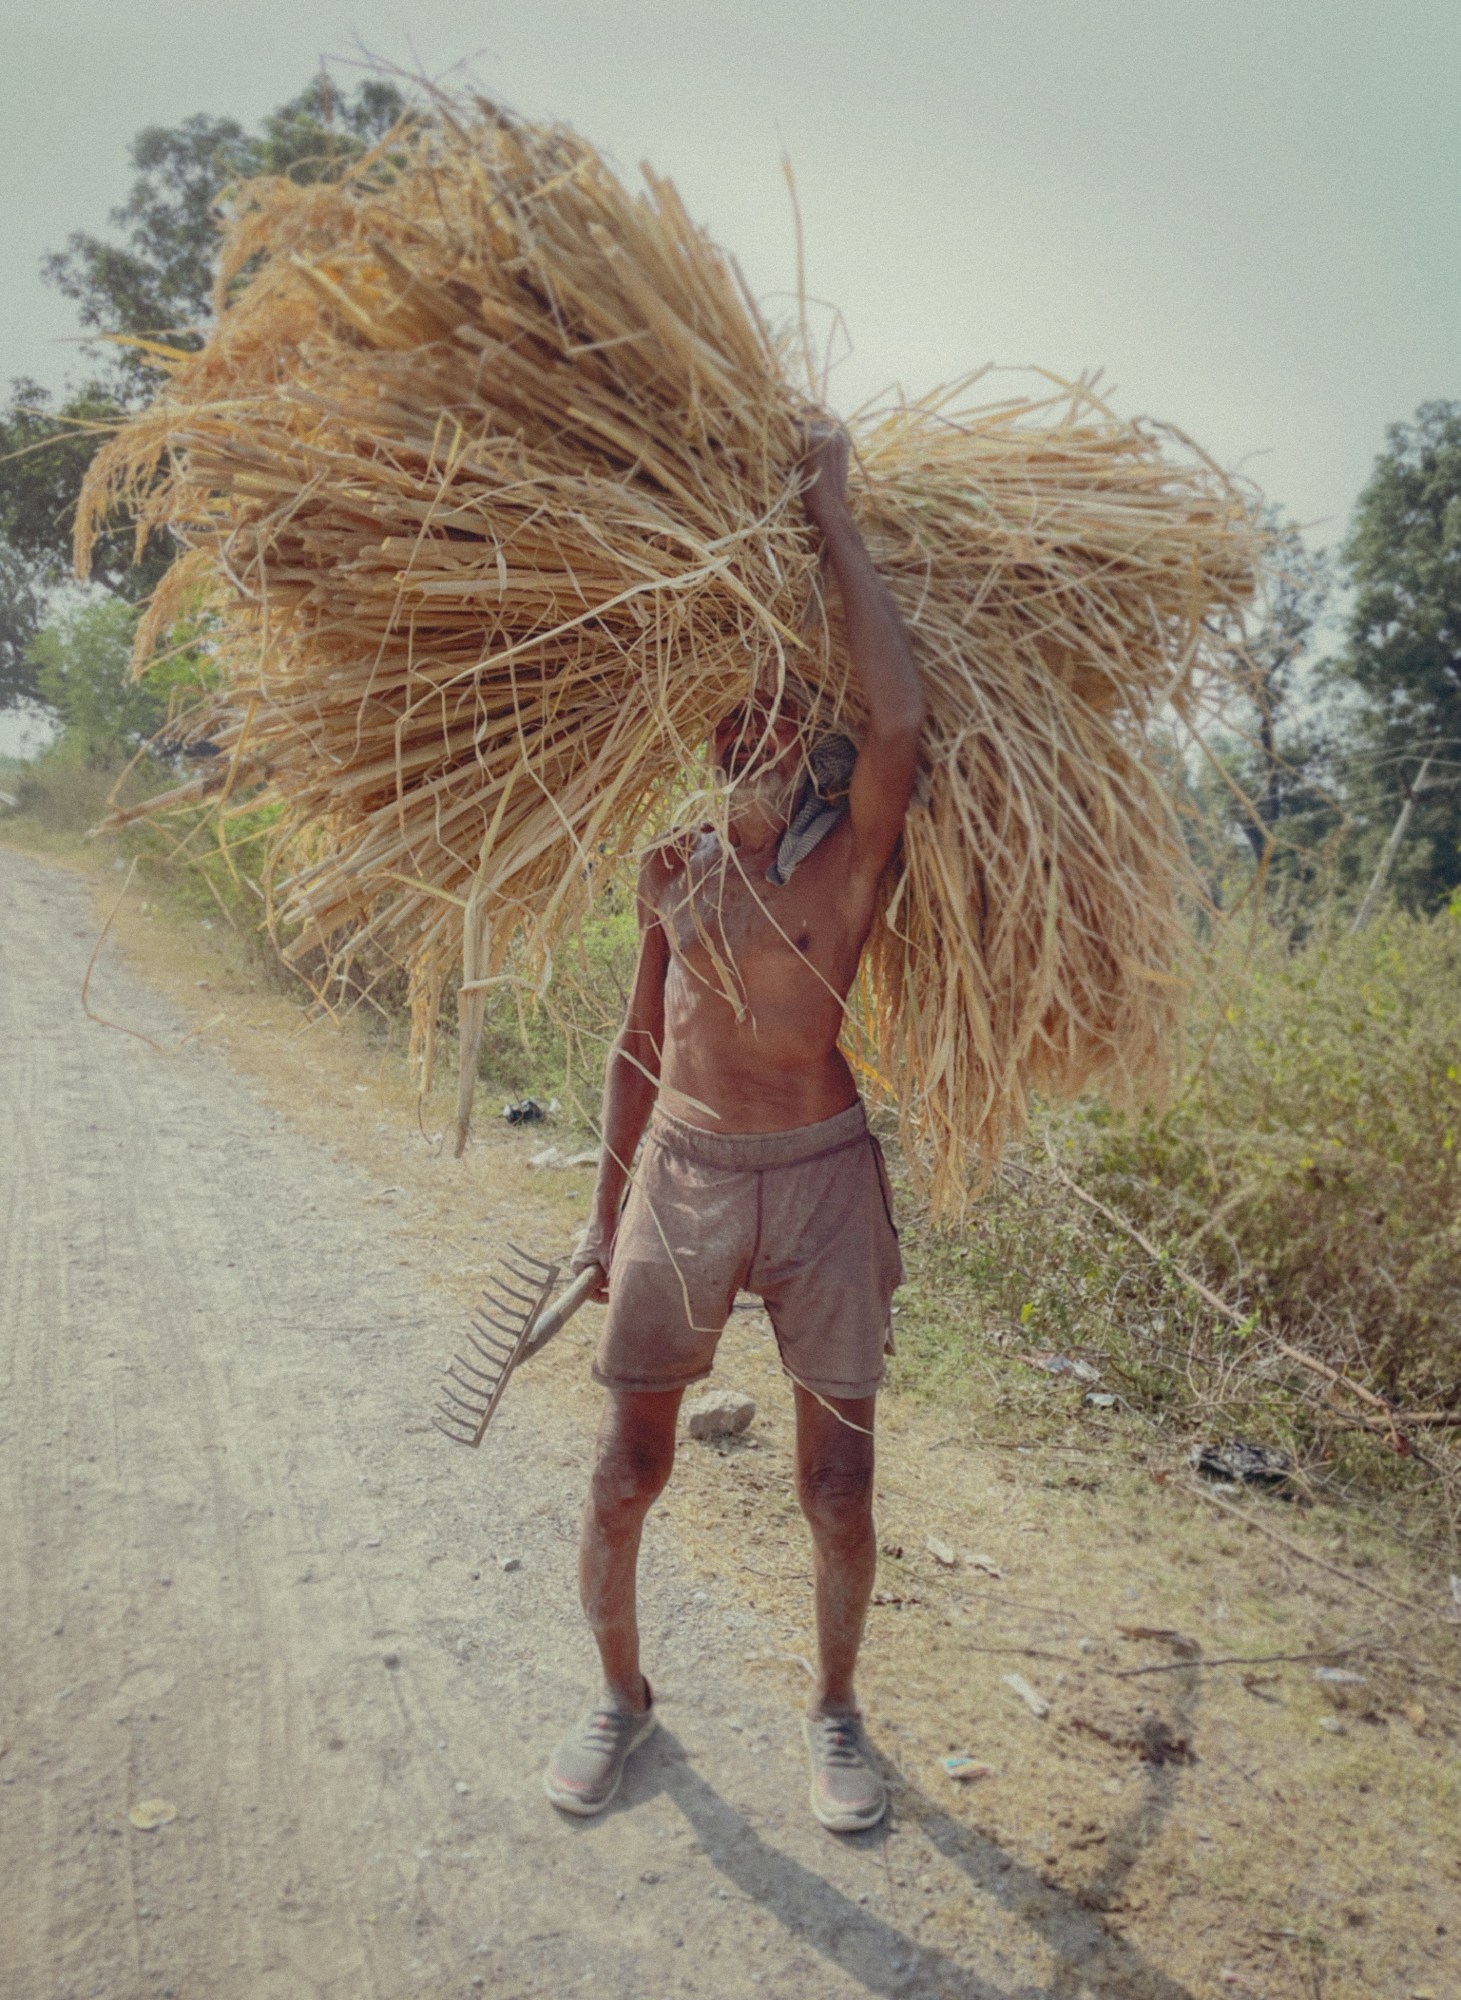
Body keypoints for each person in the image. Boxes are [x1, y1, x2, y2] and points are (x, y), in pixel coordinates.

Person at [544, 423, 926, 1832]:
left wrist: (829, 511)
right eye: (727, 728)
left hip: (821, 1180)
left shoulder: (851, 860)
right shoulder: (672, 876)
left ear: (808, 744)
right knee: (626, 1464)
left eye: (773, 723)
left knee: (835, 1481)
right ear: (704, 748)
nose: (747, 745)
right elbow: (635, 1047)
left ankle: (834, 1717)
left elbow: (898, 720)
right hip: (685, 1175)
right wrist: (601, 1215)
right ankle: (617, 1700)